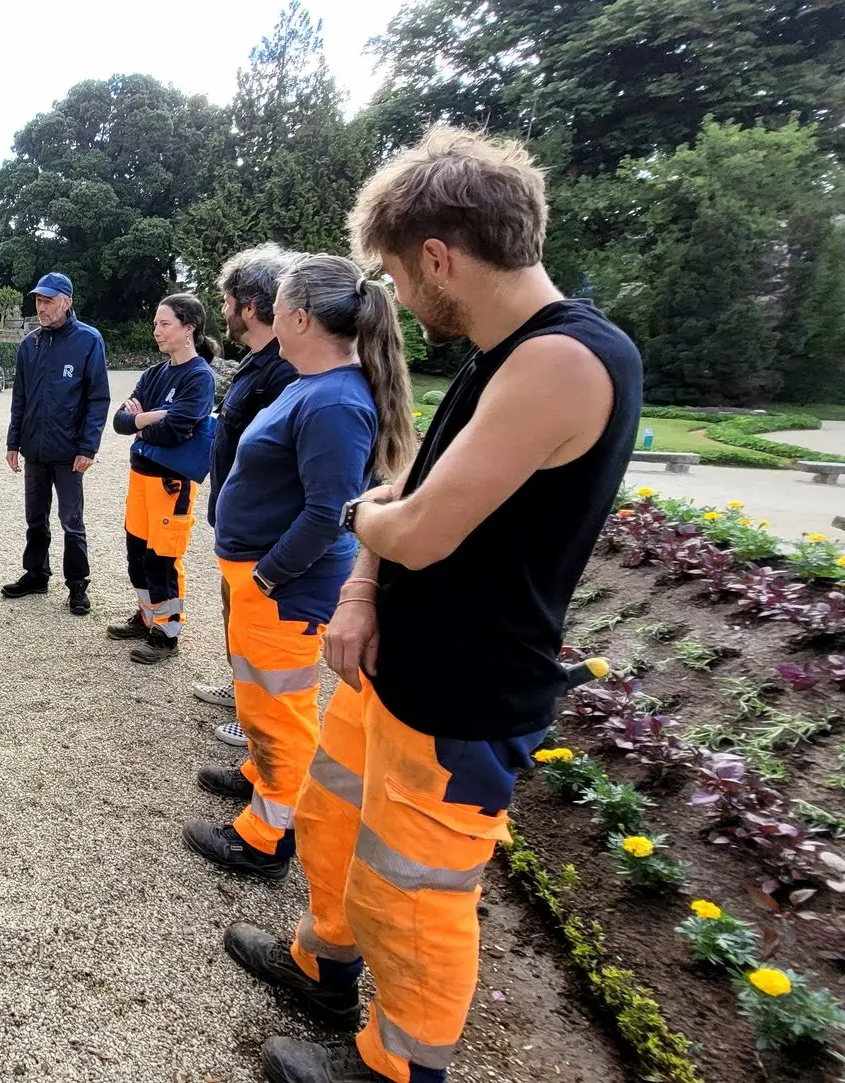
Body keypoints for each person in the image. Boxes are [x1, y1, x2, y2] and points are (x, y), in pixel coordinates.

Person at [230, 127, 642, 1083]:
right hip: (394, 661)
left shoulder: (564, 361)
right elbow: (405, 494)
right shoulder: (502, 354)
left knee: (412, 895)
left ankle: (399, 1066)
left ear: (439, 256)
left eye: (397, 276)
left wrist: (363, 521)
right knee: (334, 821)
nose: (399, 301)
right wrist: (365, 586)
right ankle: (322, 966)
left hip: (462, 689)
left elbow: (415, 526)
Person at [182, 253, 415, 886]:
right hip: (268, 580)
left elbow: (328, 511)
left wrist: (265, 576)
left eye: (280, 303)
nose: (269, 311)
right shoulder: (316, 387)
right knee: (262, 703)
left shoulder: (336, 402)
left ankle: (267, 837)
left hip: (282, 588)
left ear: (301, 317)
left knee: (282, 712)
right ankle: (260, 778)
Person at [193, 245, 302, 749]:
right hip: (240, 524)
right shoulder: (260, 362)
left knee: (261, 628)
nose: (223, 310)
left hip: (266, 531)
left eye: (227, 300)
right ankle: (241, 693)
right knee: (235, 615)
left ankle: (255, 716)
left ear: (250, 308)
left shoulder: (284, 370)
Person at [105, 294, 216, 665]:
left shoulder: (199, 377)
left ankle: (167, 634)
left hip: (172, 484)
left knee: (163, 559)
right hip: (141, 478)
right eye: (156, 323)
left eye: (164, 324)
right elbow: (121, 422)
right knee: (136, 555)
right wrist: (153, 418)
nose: (157, 331)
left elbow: (178, 430)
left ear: (189, 329)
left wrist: (143, 420)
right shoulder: (155, 373)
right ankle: (147, 615)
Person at [2, 272, 111, 616]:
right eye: (38, 300)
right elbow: (19, 398)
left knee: (71, 520)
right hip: (34, 449)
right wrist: (13, 441)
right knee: (35, 517)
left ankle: (77, 584)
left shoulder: (88, 340)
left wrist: (88, 447)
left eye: (48, 301)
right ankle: (36, 574)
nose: (42, 307)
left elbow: (98, 398)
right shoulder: (29, 345)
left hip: (68, 451)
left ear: (67, 302)